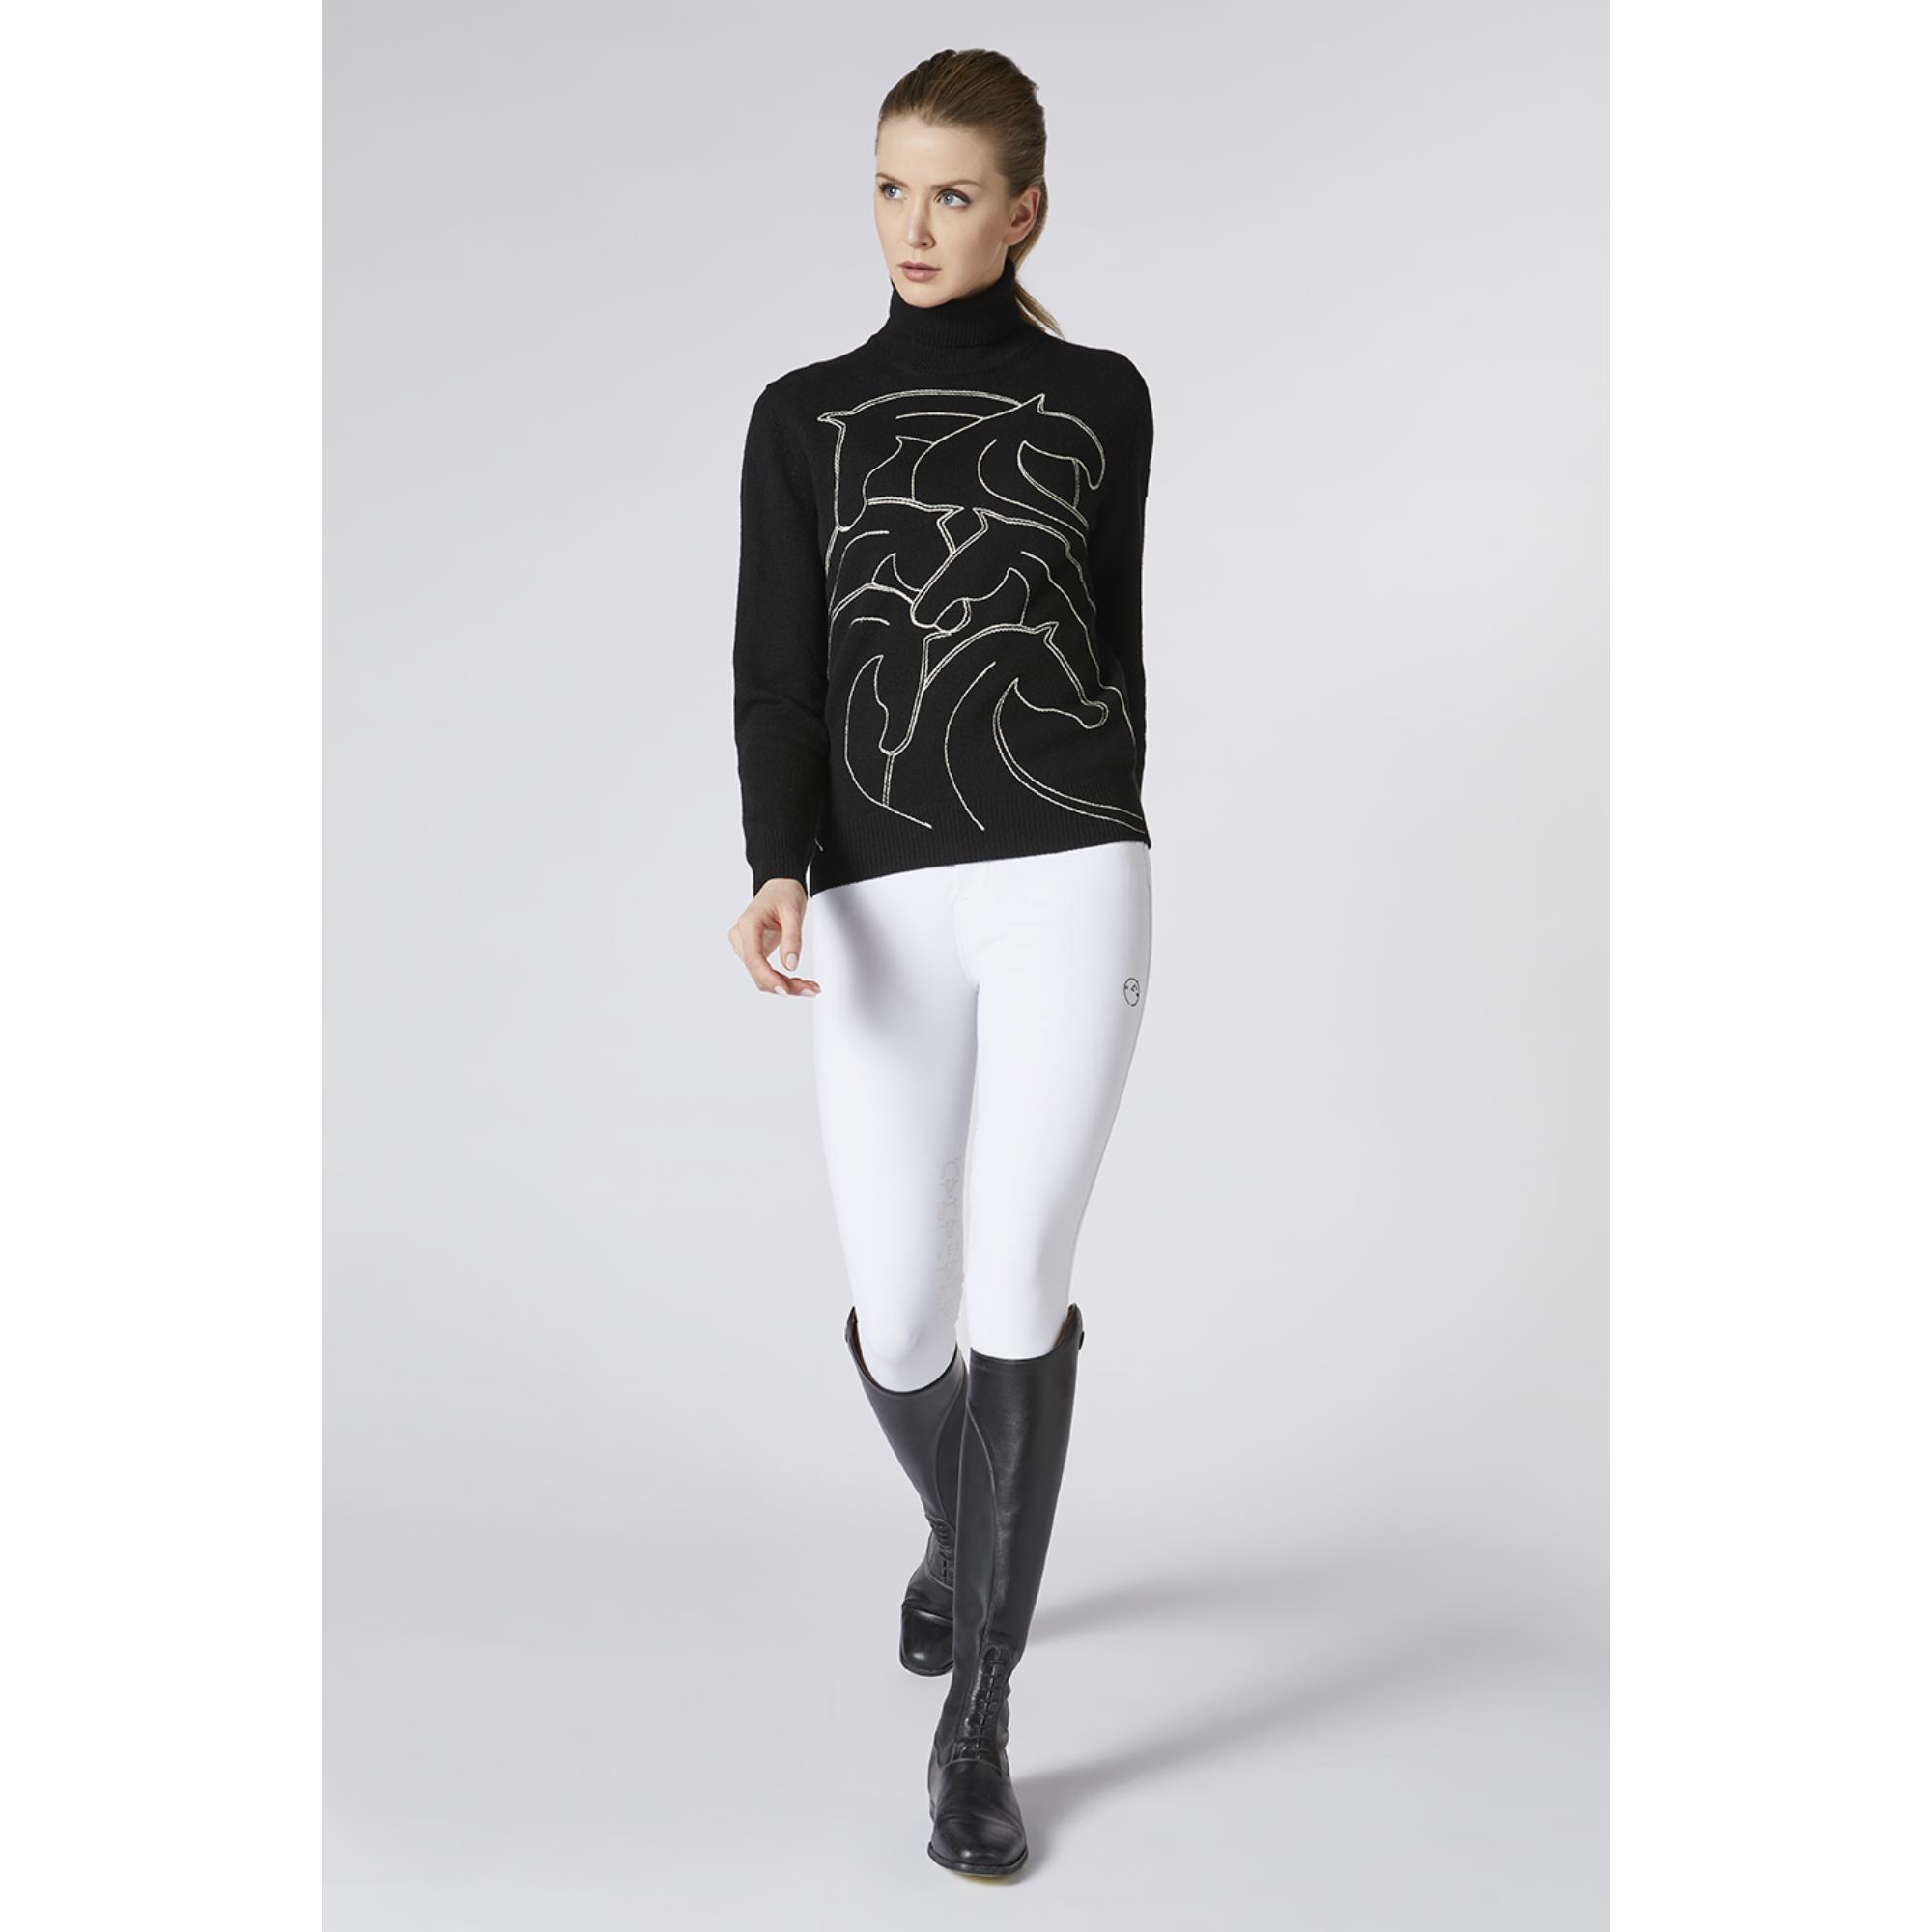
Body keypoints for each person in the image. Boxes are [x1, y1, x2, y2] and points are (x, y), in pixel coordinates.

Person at [725, 47, 1156, 1880]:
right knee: (900, 1313)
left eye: (956, 193)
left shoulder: (1103, 399)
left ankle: (978, 1716)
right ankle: (963, 1534)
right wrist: (778, 863)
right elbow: (778, 670)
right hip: (879, 892)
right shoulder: (802, 416)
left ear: (1023, 210)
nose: (917, 225)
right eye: (894, 188)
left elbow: (1112, 634)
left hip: (1068, 869)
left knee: (1016, 1278)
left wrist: (1106, 809)